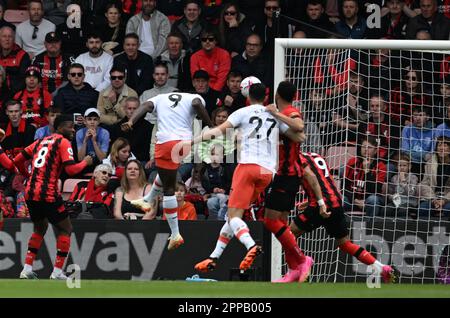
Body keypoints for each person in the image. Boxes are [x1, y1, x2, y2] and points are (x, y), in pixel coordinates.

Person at [193, 83, 304, 272]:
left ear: (248, 95)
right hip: (267, 173)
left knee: (233, 215)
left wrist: (192, 140)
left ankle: (251, 245)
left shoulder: (243, 112)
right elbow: (299, 136)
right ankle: (213, 257)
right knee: (234, 217)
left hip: (247, 167)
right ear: (266, 96)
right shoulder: (273, 114)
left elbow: (218, 131)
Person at [121, 92, 214, 250]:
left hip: (165, 142)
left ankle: (175, 233)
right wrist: (210, 124)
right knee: (165, 174)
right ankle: (148, 200)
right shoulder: (193, 98)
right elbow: (198, 104)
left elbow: (145, 106)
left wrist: (130, 121)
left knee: (169, 189)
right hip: (182, 143)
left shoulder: (159, 98)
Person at [289, 152, 395, 283]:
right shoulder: (316, 155)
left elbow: (311, 177)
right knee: (345, 244)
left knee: (289, 234)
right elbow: (326, 181)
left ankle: (301, 265)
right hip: (336, 201)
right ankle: (381, 268)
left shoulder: (297, 158)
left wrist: (319, 201)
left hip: (321, 205)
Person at [12, 113, 93, 279]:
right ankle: (57, 272)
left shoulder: (40, 141)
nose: (72, 130)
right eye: (70, 126)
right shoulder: (63, 142)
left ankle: (26, 269)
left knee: (39, 228)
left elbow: (18, 160)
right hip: (48, 192)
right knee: (66, 228)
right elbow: (71, 170)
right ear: (60, 127)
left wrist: (26, 174)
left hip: (31, 191)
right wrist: (86, 162)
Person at [344, 136, 387, 216]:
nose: (365, 149)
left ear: (375, 151)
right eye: (363, 147)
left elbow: (376, 190)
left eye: (369, 147)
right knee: (340, 199)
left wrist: (367, 171)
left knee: (372, 200)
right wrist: (355, 200)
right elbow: (345, 187)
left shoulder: (381, 166)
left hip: (370, 201)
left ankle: (370, 227)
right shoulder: (352, 162)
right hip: (354, 200)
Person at [110, 96, 152, 164]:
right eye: (129, 108)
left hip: (140, 162)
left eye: (135, 109)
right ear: (124, 109)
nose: (132, 111)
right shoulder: (117, 127)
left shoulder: (148, 127)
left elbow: (147, 151)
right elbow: (114, 148)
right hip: (120, 162)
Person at [418, 136, 450, 219]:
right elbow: (424, 184)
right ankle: (425, 232)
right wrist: (433, 199)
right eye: (439, 145)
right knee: (423, 209)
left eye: (445, 145)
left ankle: (442, 232)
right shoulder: (430, 163)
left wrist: (444, 200)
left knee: (447, 209)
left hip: (448, 198)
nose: (441, 148)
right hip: (433, 196)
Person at [383, 153, 419, 218]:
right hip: (397, 202)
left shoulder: (413, 177)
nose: (402, 168)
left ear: (409, 166)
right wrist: (392, 197)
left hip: (409, 202)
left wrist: (403, 181)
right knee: (386, 210)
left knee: (402, 210)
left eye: (404, 165)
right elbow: (390, 193)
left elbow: (411, 193)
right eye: (400, 165)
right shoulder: (394, 178)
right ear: (397, 167)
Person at [401, 105, 434, 175]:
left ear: (428, 117)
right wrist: (423, 155)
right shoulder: (407, 129)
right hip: (410, 162)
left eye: (421, 115)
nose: (418, 118)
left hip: (426, 164)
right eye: (415, 115)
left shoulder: (434, 131)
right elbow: (405, 150)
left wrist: (413, 154)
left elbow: (432, 154)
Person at [0, 26, 31, 95]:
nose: (7, 39)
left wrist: (10, 95)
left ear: (14, 39)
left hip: (15, 95)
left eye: (10, 36)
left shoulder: (22, 55)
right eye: (4, 36)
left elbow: (23, 80)